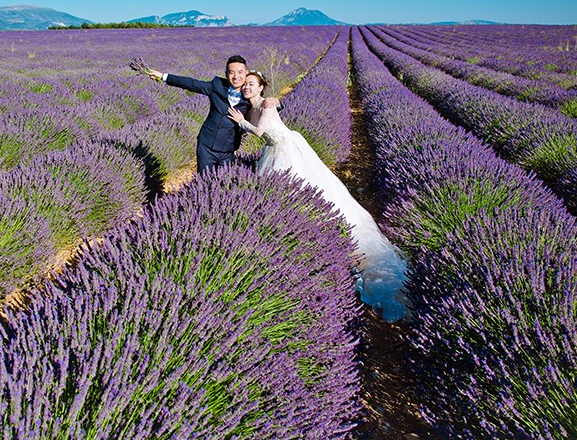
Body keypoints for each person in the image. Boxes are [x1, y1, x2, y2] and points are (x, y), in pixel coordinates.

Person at [229, 71, 410, 322]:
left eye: (252, 84)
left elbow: (259, 133)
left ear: (261, 87)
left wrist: (242, 121)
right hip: (272, 154)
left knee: (302, 188)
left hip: (286, 151)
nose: (247, 88)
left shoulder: (268, 104)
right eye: (245, 85)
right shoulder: (248, 107)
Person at [130, 55, 279, 174]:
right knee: (204, 182)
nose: (236, 76)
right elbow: (191, 83)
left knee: (224, 184)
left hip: (228, 149)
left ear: (246, 74)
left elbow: (265, 108)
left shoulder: (249, 95)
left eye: (240, 72)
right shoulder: (216, 86)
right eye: (231, 72)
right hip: (207, 145)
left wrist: (277, 101)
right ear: (226, 74)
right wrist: (163, 76)